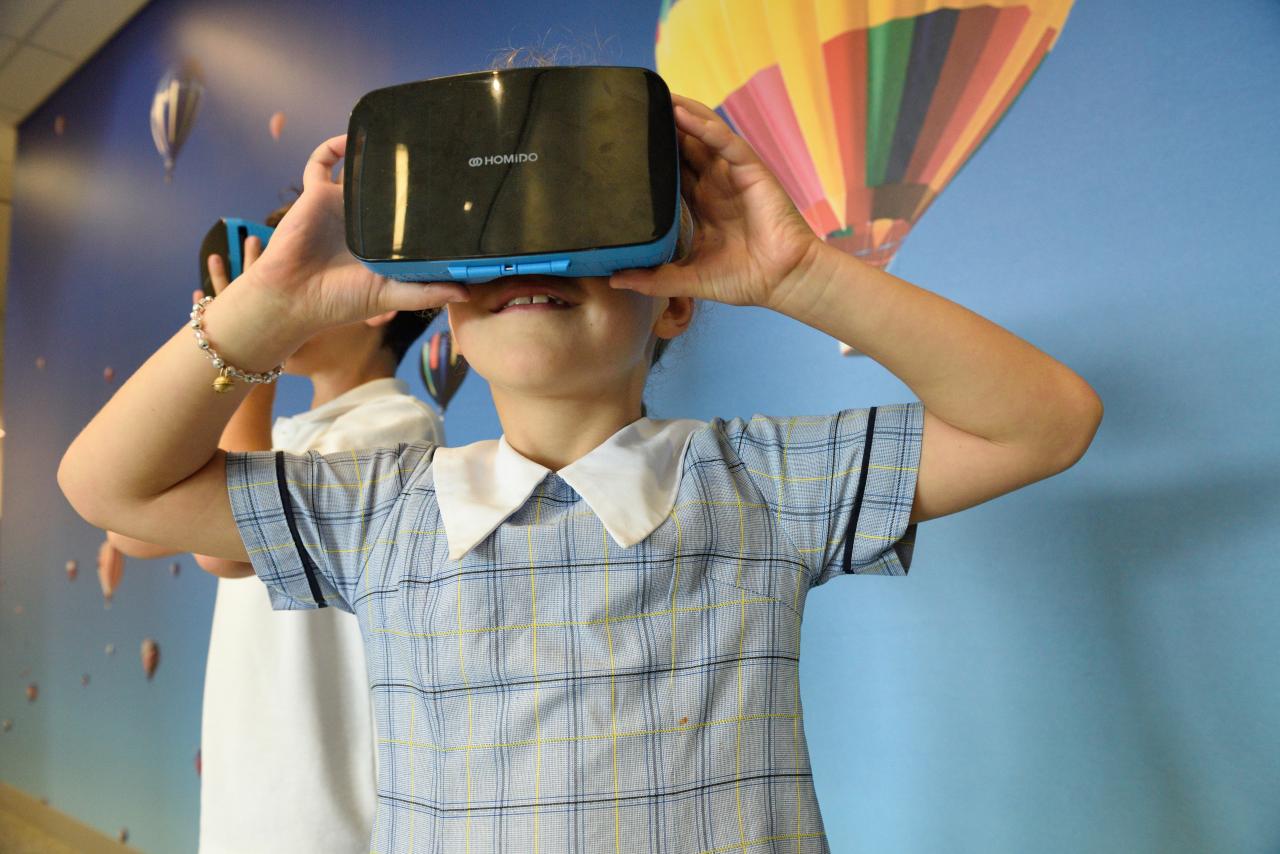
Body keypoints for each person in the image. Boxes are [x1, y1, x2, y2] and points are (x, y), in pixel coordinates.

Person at [60, 92, 1102, 852]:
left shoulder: (759, 483)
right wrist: (270, 307)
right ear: (446, 305)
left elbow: (1044, 423)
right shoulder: (379, 508)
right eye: (489, 244)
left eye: (577, 232)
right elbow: (112, 490)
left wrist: (797, 274)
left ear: (677, 295)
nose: (532, 264)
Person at [106, 201, 443, 853]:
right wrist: (212, 351)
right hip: (246, 803)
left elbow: (228, 555)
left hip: (323, 817)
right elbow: (128, 527)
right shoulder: (280, 438)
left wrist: (248, 355)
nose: (272, 289)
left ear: (374, 300)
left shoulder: (399, 434)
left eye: (300, 268)